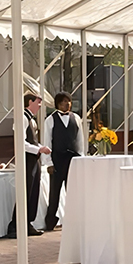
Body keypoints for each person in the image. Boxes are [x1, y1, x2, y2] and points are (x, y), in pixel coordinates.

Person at [7, 94, 50, 238]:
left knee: (33, 191)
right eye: (38, 102)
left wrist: (40, 147)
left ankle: (27, 222)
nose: (39, 106)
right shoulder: (22, 119)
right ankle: (15, 225)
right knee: (25, 191)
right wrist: (38, 149)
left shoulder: (32, 120)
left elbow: (32, 141)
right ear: (29, 102)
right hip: (26, 159)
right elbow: (21, 142)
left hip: (33, 159)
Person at [44, 91, 85, 232]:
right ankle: (50, 221)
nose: (66, 104)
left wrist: (82, 158)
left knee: (73, 192)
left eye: (68, 102)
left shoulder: (77, 118)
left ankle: (75, 219)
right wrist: (48, 163)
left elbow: (80, 140)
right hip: (57, 160)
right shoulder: (50, 120)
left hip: (73, 160)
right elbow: (47, 142)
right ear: (57, 105)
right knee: (54, 192)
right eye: (62, 102)